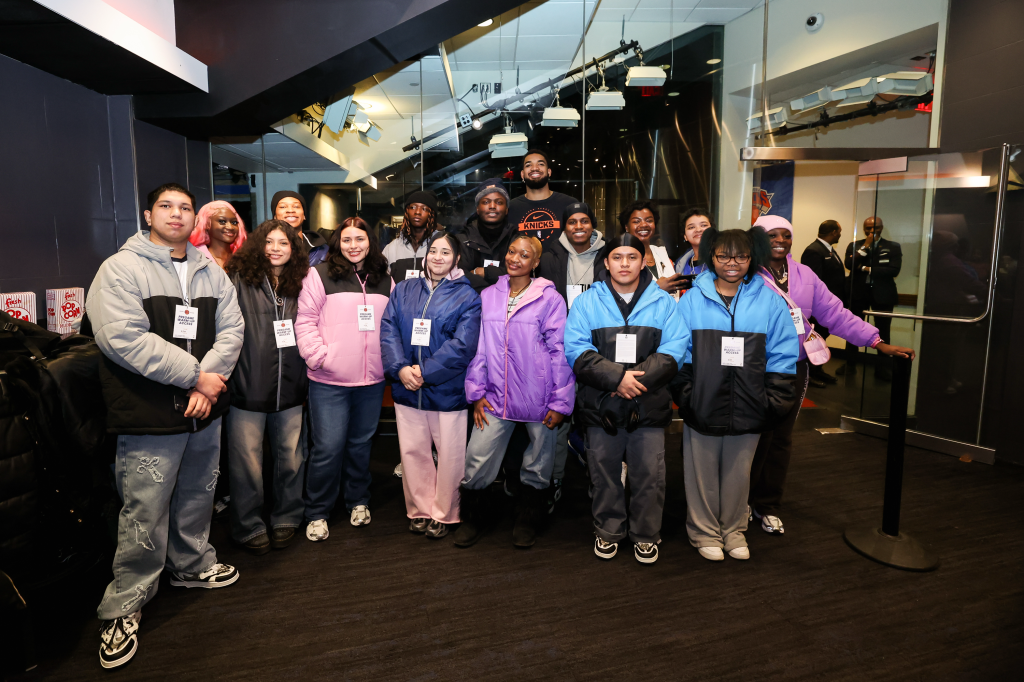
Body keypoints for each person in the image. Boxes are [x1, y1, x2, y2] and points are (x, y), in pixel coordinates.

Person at [86, 183, 244, 670]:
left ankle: (191, 565)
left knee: (199, 492)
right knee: (144, 509)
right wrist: (196, 375)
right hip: (148, 410)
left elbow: (232, 329)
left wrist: (207, 386)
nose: (176, 214)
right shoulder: (121, 268)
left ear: (194, 217)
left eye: (185, 207)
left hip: (205, 408)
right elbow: (122, 339)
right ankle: (125, 604)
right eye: (166, 207)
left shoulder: (208, 270)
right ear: (148, 214)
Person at [751, 215, 915, 535]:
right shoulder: (745, 273)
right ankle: (738, 500)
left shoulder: (805, 275)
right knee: (752, 436)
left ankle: (767, 504)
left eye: (786, 235)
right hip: (753, 368)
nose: (781, 240)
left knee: (781, 438)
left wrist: (876, 341)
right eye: (772, 235)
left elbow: (836, 314)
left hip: (792, 367)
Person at [671, 226, 798, 562]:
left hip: (751, 402)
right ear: (711, 257)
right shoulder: (692, 299)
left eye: (741, 255)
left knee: (739, 472)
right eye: (723, 255)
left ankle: (734, 530)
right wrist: (688, 394)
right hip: (704, 400)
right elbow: (678, 350)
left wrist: (773, 399)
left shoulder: (770, 300)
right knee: (701, 472)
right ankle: (704, 532)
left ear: (751, 258)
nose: (732, 262)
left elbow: (784, 353)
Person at [564, 234, 686, 564]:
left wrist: (632, 382)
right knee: (603, 474)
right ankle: (608, 529)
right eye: (617, 258)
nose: (624, 264)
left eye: (632, 257)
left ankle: (646, 534)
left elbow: (675, 350)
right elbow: (576, 349)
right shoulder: (587, 303)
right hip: (600, 404)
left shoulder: (663, 302)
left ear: (643, 261)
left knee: (649, 475)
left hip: (648, 404)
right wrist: (617, 378)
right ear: (606, 262)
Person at [455, 234, 574, 549]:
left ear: (535, 263)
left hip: (540, 398)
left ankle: (528, 519)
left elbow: (560, 352)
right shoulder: (489, 296)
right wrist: (476, 392)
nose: (515, 258)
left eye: (525, 255)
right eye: (511, 251)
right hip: (495, 396)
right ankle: (475, 516)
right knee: (477, 458)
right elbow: (480, 347)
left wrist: (561, 402)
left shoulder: (551, 299)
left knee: (538, 463)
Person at [380, 231, 481, 539]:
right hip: (406, 387)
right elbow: (389, 330)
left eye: (445, 253)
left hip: (445, 389)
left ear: (457, 259)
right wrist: (400, 370)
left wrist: (424, 372)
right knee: (412, 451)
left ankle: (445, 512)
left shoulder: (468, 296)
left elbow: (462, 345)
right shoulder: (404, 289)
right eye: (433, 251)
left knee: (450, 454)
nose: (438, 257)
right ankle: (420, 508)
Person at [296, 216, 392, 540]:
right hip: (329, 380)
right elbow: (305, 320)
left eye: (360, 239)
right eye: (347, 240)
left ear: (370, 242)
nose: (354, 246)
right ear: (338, 242)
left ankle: (357, 500)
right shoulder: (319, 274)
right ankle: (317, 511)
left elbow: (390, 325)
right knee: (327, 447)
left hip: (372, 379)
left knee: (361, 445)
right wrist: (319, 357)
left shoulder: (383, 278)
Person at [222, 219, 310, 554]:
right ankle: (247, 525)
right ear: (258, 245)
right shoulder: (238, 279)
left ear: (294, 249)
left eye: (283, 243)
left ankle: (287, 515)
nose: (275, 248)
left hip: (291, 385)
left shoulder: (302, 282)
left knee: (291, 457)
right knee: (247, 463)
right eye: (269, 242)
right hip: (247, 383)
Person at [536, 202, 606, 505]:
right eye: (572, 222)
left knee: (594, 418)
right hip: (558, 348)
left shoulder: (608, 254)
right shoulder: (550, 256)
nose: (579, 227)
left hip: (597, 348)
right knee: (558, 417)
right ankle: (555, 479)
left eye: (585, 221)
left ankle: (601, 482)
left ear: (592, 225)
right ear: (564, 227)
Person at [841, 216, 902, 380]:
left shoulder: (892, 247)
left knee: (883, 330)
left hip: (883, 294)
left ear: (881, 228)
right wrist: (865, 247)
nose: (870, 231)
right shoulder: (855, 245)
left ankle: (882, 367)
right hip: (858, 293)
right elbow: (850, 265)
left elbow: (893, 271)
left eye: (874, 228)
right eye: (867, 228)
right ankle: (851, 363)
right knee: (853, 327)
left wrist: (866, 268)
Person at [800, 219, 847, 386]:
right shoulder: (814, 251)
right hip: (819, 307)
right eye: (839, 231)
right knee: (814, 338)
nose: (840, 235)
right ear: (834, 232)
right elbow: (814, 281)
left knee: (821, 338)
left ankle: (817, 370)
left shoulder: (829, 250)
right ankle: (808, 374)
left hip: (829, 305)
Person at [505, 149, 578, 248]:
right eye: (528, 165)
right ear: (522, 174)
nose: (534, 168)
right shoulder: (511, 208)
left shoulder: (569, 204)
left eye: (541, 164)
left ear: (549, 172)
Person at [619, 201, 687, 297]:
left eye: (649, 220)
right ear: (626, 227)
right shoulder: (620, 259)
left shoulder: (662, 255)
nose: (643, 225)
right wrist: (657, 289)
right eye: (636, 221)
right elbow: (622, 297)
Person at [458, 178, 517, 289]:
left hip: (509, 304)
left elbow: (519, 274)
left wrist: (486, 272)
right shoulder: (462, 240)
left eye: (499, 202)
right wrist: (490, 292)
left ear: (506, 209)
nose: (492, 206)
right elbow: (459, 276)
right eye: (486, 202)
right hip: (471, 303)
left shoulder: (517, 240)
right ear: (478, 209)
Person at [273, 190, 329, 266]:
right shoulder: (267, 249)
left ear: (304, 215)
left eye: (296, 206)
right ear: (275, 216)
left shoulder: (322, 250)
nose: (290, 210)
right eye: (283, 206)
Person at [383, 190, 437, 265]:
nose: (417, 212)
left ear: (431, 214)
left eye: (424, 209)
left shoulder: (442, 246)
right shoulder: (391, 248)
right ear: (407, 211)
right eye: (413, 207)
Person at [190, 200, 247, 268]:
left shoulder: (245, 259)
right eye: (222, 221)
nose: (230, 227)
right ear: (207, 224)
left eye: (234, 222)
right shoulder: (194, 257)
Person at [673, 209, 713, 283]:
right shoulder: (680, 265)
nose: (698, 230)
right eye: (691, 227)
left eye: (704, 225)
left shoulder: (722, 259)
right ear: (685, 236)